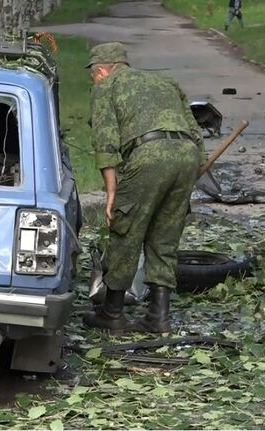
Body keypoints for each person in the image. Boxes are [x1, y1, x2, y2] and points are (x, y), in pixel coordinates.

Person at [83, 42, 206, 334]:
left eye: (92, 74)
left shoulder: (105, 87)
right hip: (186, 155)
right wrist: (190, 170)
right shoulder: (166, 81)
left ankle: (112, 314)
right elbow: (196, 132)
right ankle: (158, 318)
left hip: (148, 155)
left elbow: (105, 142)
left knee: (126, 230)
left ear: (101, 71)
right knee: (165, 236)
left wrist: (112, 193)